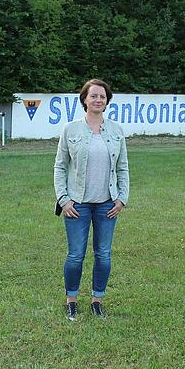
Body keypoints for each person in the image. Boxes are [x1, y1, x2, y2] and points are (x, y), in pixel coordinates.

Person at [53, 79, 129, 321]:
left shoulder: (116, 131)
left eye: (103, 96)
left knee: (104, 255)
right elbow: (60, 167)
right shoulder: (70, 129)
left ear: (107, 101)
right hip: (77, 204)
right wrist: (64, 199)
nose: (98, 100)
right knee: (76, 255)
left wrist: (122, 199)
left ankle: (97, 300)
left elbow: (123, 168)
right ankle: (72, 301)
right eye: (94, 96)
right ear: (84, 99)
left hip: (108, 204)